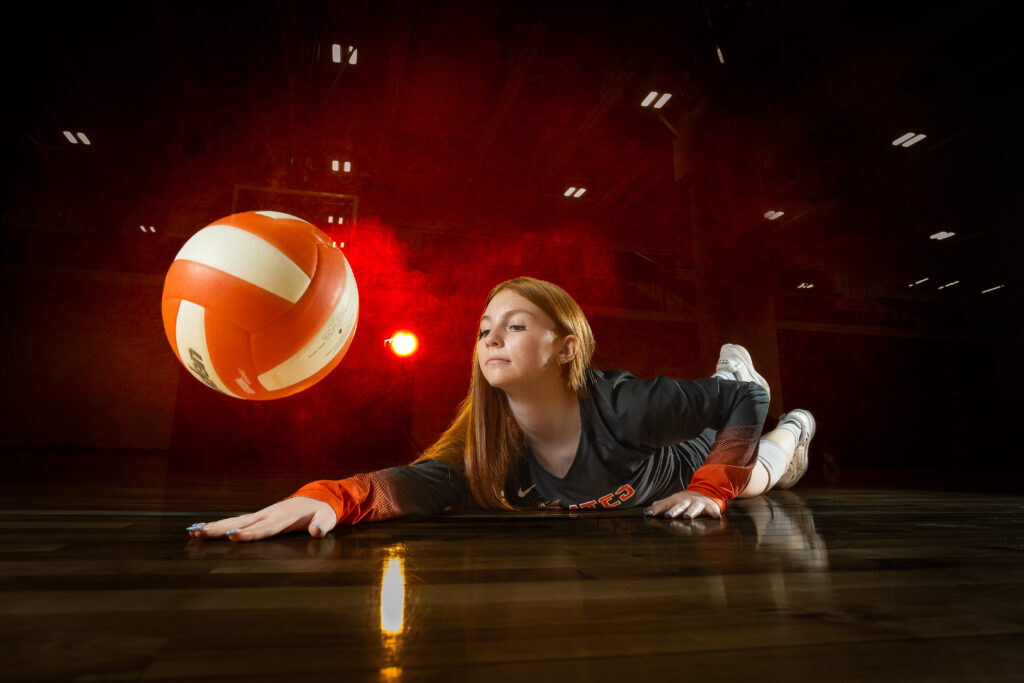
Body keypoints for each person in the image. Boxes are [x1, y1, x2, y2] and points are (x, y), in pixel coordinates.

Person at [186, 276, 816, 542]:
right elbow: (415, 483)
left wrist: (711, 484)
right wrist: (327, 498)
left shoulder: (623, 403)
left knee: (758, 476)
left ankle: (797, 426)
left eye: (514, 326)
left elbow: (745, 402)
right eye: (485, 326)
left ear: (565, 349)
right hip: (653, 465)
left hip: (684, 457)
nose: (489, 337)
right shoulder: (491, 452)